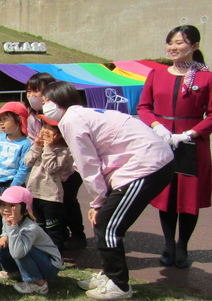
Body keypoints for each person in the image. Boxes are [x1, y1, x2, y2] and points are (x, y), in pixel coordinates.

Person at [43, 81, 174, 300]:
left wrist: (97, 202)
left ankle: (119, 284)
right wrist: (100, 202)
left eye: (47, 101)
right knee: (105, 220)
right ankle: (108, 275)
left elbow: (88, 165)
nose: (44, 105)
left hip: (148, 164)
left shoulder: (71, 120)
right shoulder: (79, 115)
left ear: (60, 101)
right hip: (141, 163)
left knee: (108, 224)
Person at [137, 24, 212, 269]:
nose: (173, 47)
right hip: (162, 142)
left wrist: (191, 132)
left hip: (192, 144)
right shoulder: (156, 74)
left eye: (179, 42)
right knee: (165, 194)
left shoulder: (206, 77)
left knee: (188, 197)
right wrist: (157, 127)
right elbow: (144, 107)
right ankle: (168, 245)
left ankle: (183, 246)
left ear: (195, 46)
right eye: (170, 42)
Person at [0, 186, 63, 296]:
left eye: (12, 206)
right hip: (28, 254)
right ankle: (15, 272)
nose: (6, 209)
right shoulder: (6, 218)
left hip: (50, 266)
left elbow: (18, 253)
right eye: (3, 204)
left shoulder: (30, 228)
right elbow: (5, 231)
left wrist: (12, 228)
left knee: (22, 250)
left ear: (25, 211)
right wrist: (4, 236)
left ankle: (38, 283)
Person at [23, 114, 73, 253]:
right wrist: (37, 147)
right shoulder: (40, 145)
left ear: (60, 133)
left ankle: (57, 255)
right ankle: (43, 252)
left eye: (50, 128)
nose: (45, 130)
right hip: (34, 193)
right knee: (39, 226)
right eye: (44, 126)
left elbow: (51, 168)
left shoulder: (63, 151)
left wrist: (49, 147)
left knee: (53, 229)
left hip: (51, 196)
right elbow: (27, 161)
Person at [0, 102, 32, 232]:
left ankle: (16, 238)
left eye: (5, 119)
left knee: (14, 214)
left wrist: (14, 185)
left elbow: (24, 168)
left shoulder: (25, 144)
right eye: (0, 120)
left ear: (19, 120)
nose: (1, 123)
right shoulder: (0, 138)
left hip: (13, 184)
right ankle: (2, 236)